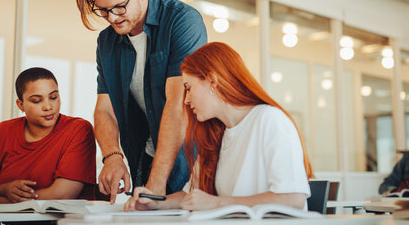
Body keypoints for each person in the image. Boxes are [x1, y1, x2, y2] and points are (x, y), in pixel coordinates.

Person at [76, 0, 207, 203]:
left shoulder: (182, 21)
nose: (112, 17)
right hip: (146, 157)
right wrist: (112, 156)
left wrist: (156, 185)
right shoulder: (106, 41)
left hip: (191, 162)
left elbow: (177, 103)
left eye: (119, 6)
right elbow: (105, 109)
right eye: (103, 10)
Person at [124, 42, 313, 211]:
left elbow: (292, 198)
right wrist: (156, 203)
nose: (187, 100)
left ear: (212, 81)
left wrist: (217, 203)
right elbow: (192, 196)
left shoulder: (269, 120)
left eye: (189, 88)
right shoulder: (216, 133)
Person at [0, 67, 96, 209]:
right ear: (21, 105)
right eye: (36, 101)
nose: (48, 106)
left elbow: (62, 196)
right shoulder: (2, 132)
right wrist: (4, 189)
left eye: (54, 97)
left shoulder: (78, 130)